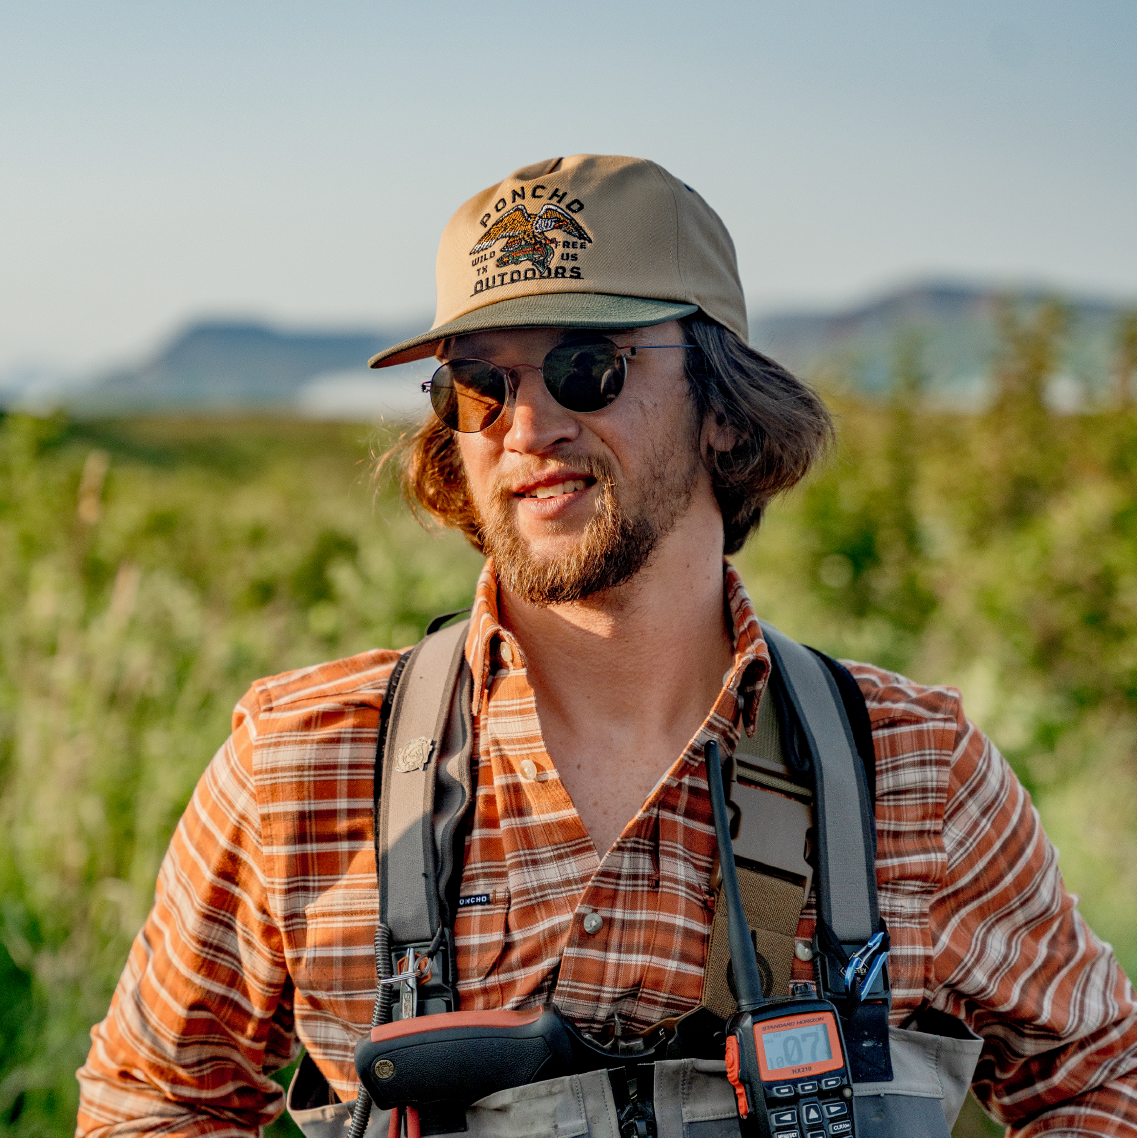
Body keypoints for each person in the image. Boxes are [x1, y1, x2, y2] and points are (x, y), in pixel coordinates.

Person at [76, 155, 1135, 1137]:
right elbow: (151, 1098)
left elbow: (1101, 1075)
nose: (526, 426)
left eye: (587, 366)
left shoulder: (914, 770)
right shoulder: (301, 764)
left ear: (723, 408)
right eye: (477, 385)